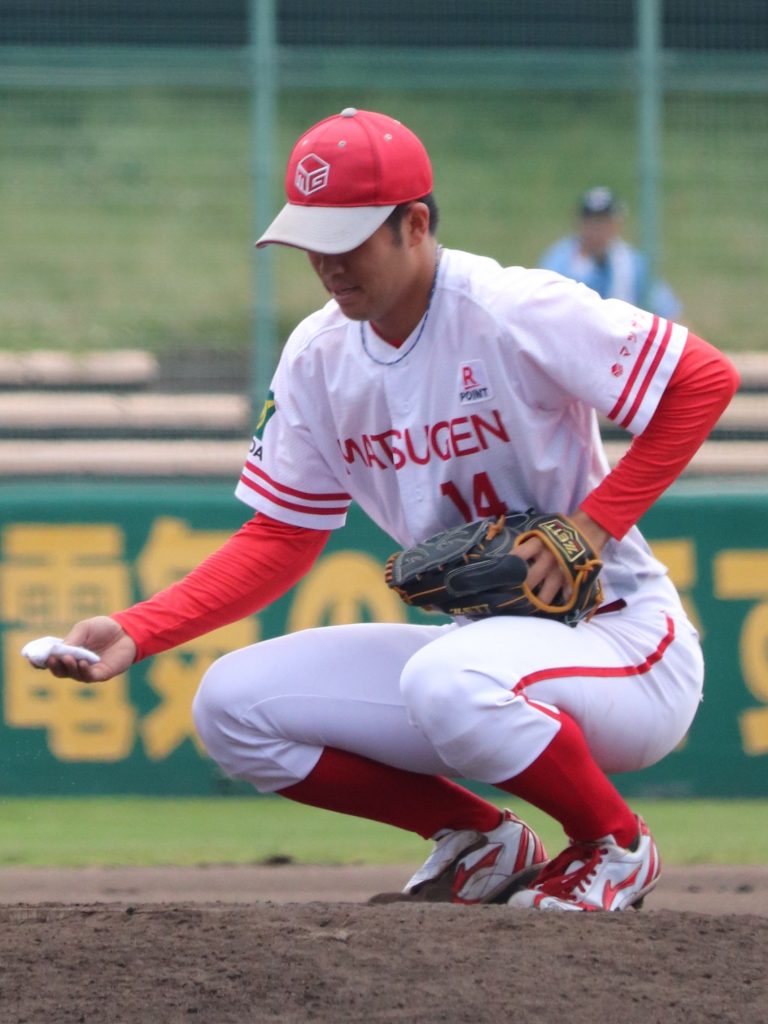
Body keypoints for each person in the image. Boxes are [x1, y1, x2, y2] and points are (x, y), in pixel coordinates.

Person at [36, 108, 738, 911]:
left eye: (347, 239)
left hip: (621, 643)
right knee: (229, 707)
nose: (326, 263)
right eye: (311, 240)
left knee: (448, 679)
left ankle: (613, 844)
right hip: (483, 657)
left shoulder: (511, 307)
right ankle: (481, 837)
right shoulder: (318, 357)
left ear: (415, 224)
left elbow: (703, 379)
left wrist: (592, 524)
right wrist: (139, 629)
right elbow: (281, 535)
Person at [539, 185, 682, 320]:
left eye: (604, 222)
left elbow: (669, 312)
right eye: (592, 221)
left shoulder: (632, 263)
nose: (597, 229)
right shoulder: (560, 261)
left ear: (617, 225)